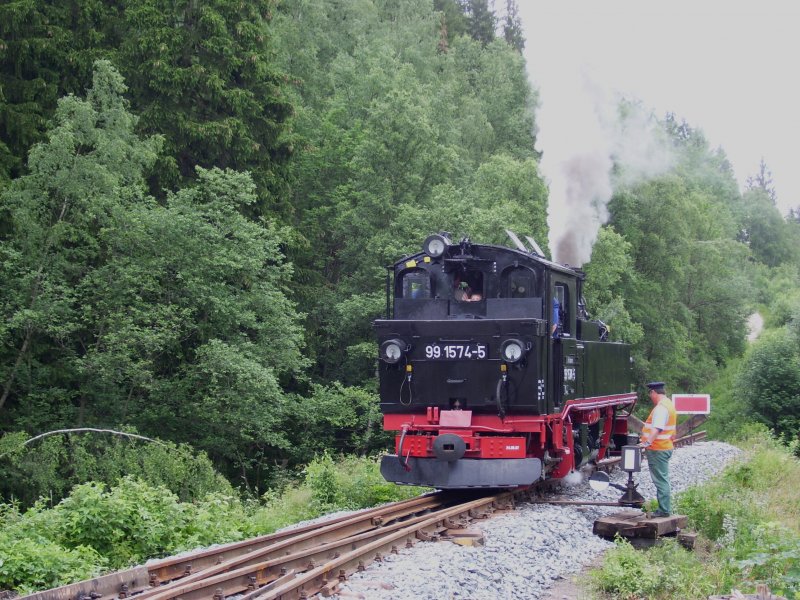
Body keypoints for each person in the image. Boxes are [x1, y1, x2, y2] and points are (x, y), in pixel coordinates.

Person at [640, 381, 677, 517]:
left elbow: (657, 428)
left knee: (661, 480)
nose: (650, 397)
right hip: (664, 446)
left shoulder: (661, 408)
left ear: (654, 392)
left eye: (650, 394)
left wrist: (647, 443)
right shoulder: (669, 404)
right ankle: (664, 509)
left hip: (658, 449)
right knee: (662, 479)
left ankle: (664, 510)